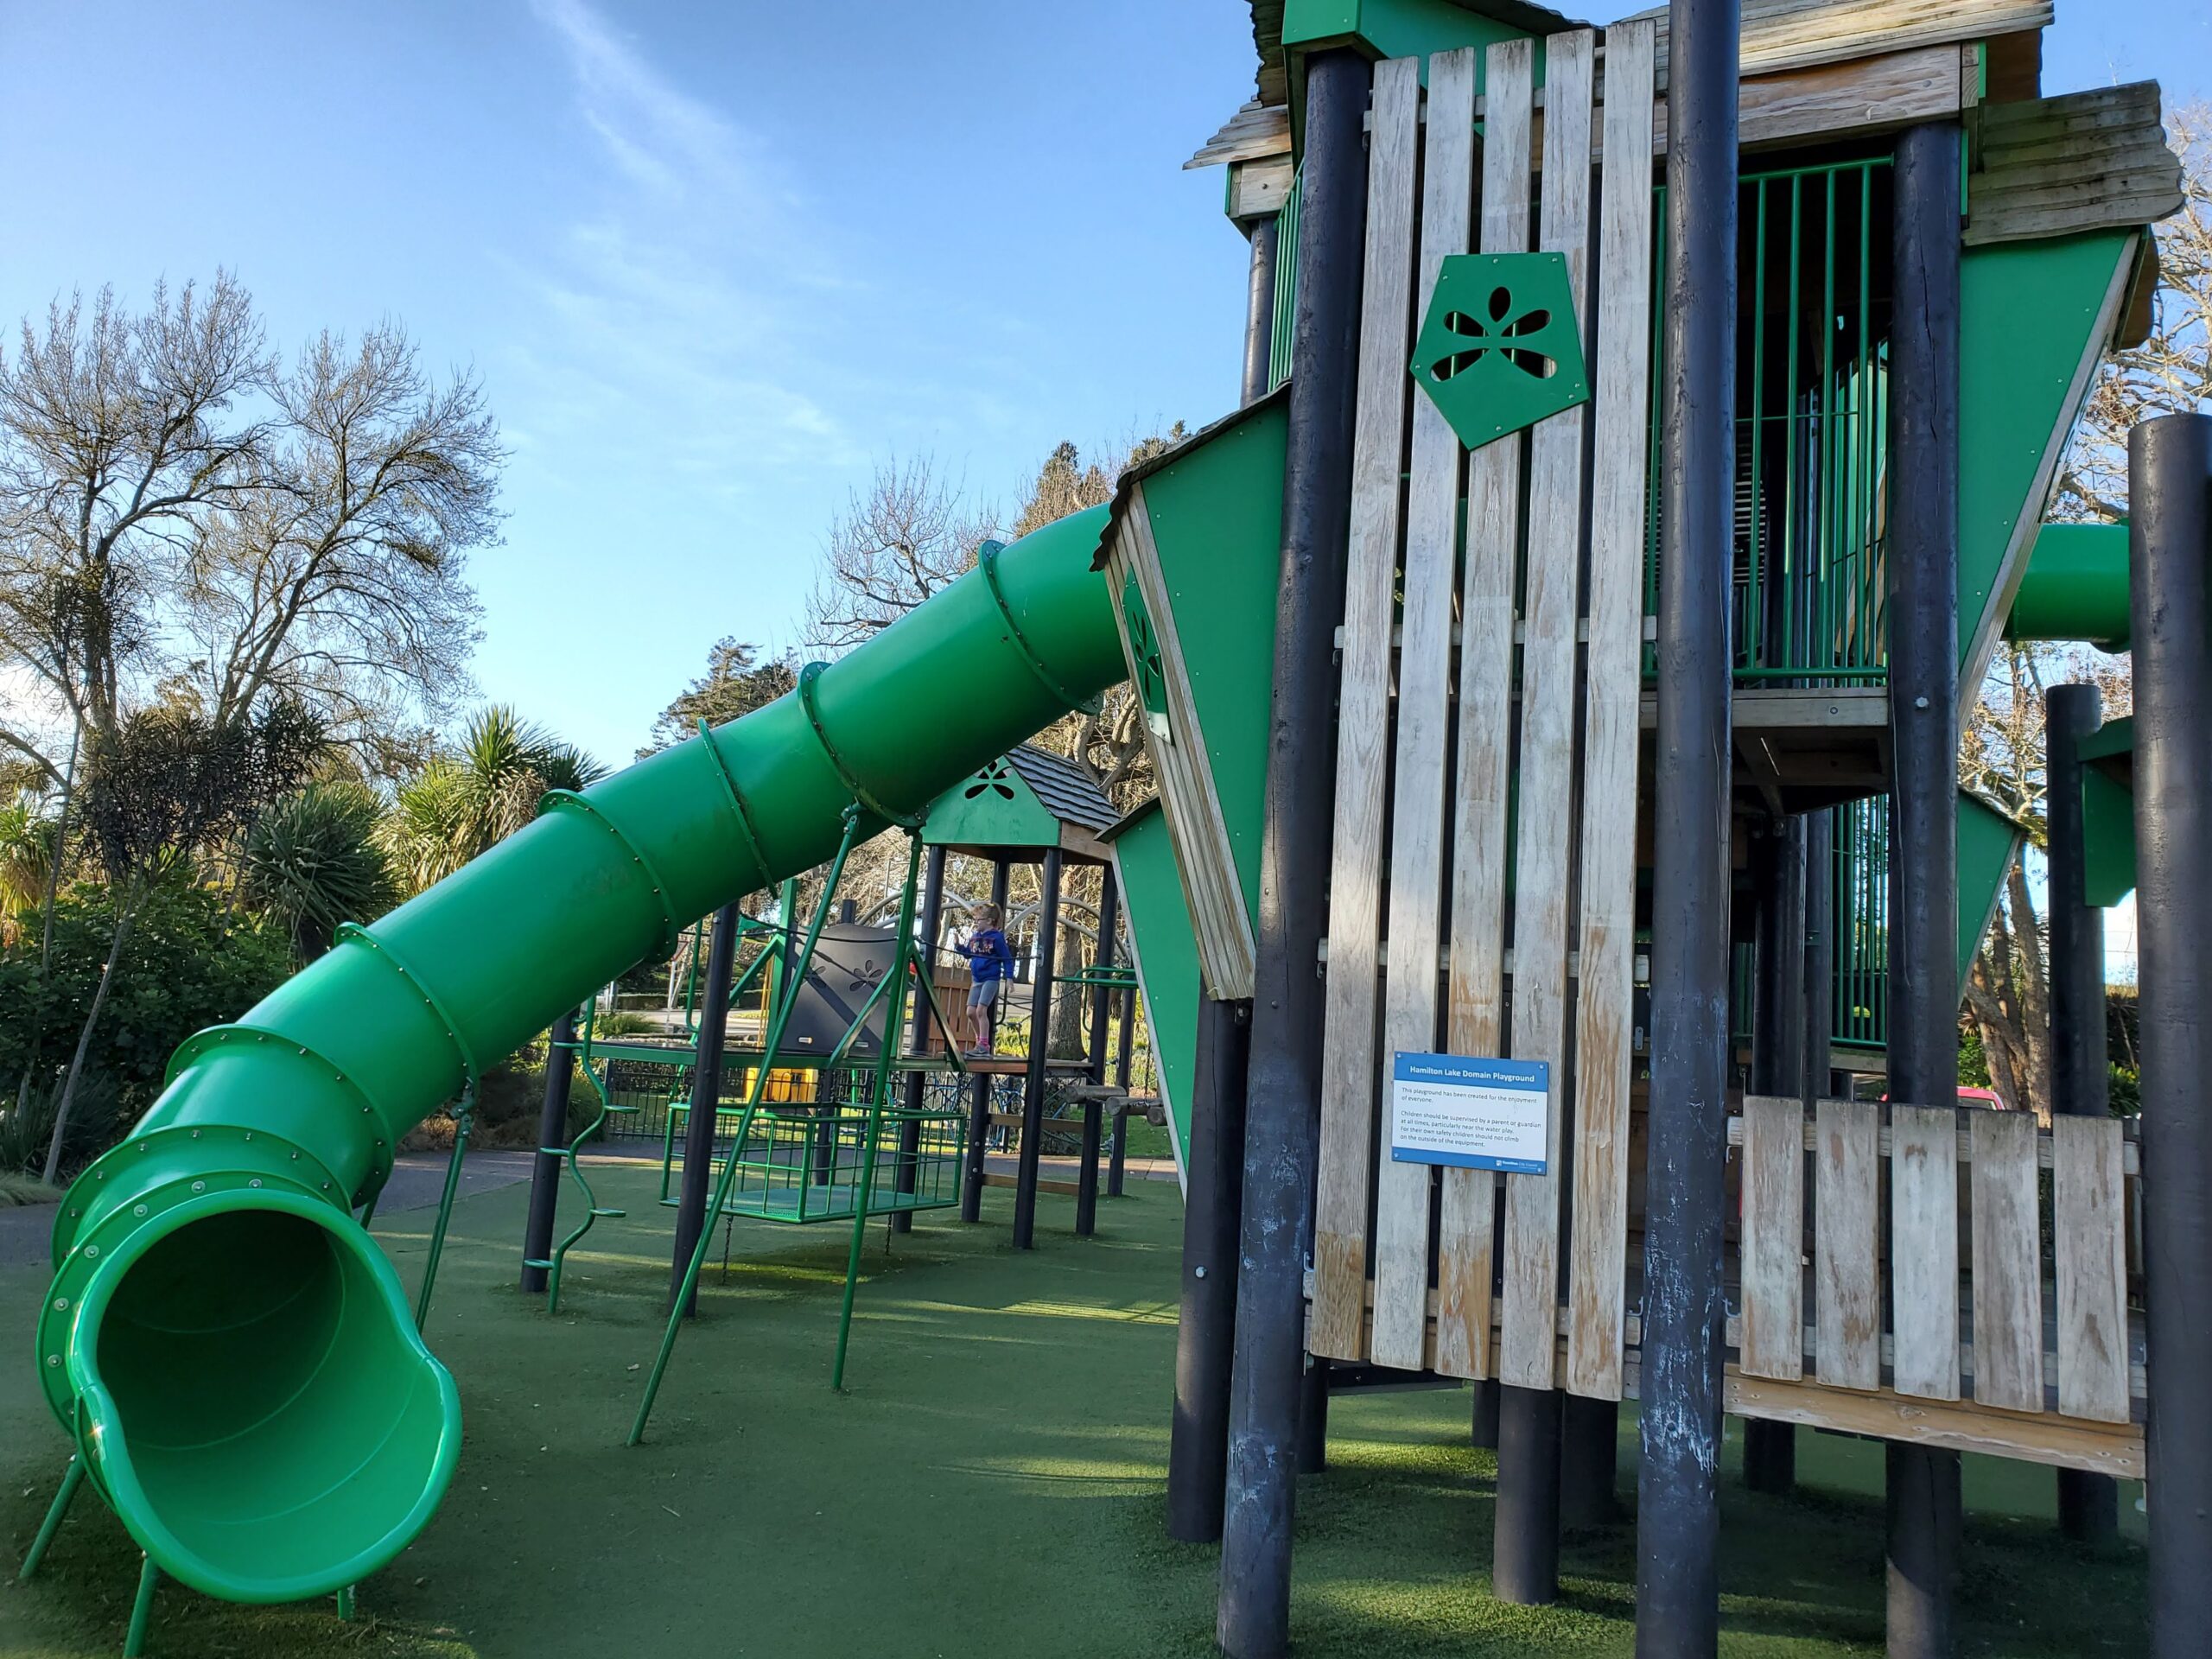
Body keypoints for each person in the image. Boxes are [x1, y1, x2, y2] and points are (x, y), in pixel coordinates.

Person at [959, 903, 1014, 1057]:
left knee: (981, 1010)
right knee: (970, 1012)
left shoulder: (997, 938)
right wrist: (958, 946)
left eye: (978, 920)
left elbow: (1007, 959)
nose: (976, 922)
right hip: (977, 979)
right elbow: (968, 954)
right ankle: (980, 1042)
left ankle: (984, 1045)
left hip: (990, 978)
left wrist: (1009, 978)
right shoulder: (975, 936)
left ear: (989, 921)